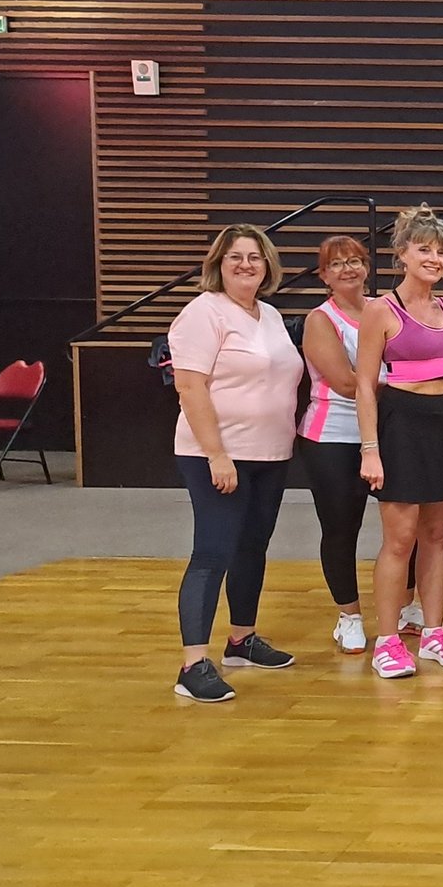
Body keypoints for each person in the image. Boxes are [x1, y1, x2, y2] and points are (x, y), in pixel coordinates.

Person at [168, 225, 304, 702]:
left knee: (252, 547)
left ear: (268, 266)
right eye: (235, 257)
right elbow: (190, 387)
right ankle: (192, 664)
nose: (246, 265)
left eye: (255, 257)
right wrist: (217, 453)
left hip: (269, 453)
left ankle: (241, 640)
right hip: (218, 455)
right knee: (213, 552)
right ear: (218, 265)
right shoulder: (202, 313)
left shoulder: (268, 314)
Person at [355, 203, 443, 680]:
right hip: (401, 426)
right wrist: (371, 448)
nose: (434, 258)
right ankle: (387, 639)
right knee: (399, 539)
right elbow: (366, 384)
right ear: (401, 254)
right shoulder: (379, 310)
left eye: (441, 252)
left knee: (436, 535)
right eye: (423, 249)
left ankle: (433, 631)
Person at [297, 233, 416, 655]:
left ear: (368, 267)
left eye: (355, 261)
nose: (348, 269)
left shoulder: (384, 309)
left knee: (407, 525)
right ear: (323, 275)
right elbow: (349, 383)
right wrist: (410, 386)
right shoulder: (319, 320)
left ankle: (405, 606)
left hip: (389, 433)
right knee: (341, 528)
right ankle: (349, 616)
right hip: (335, 438)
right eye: (336, 264)